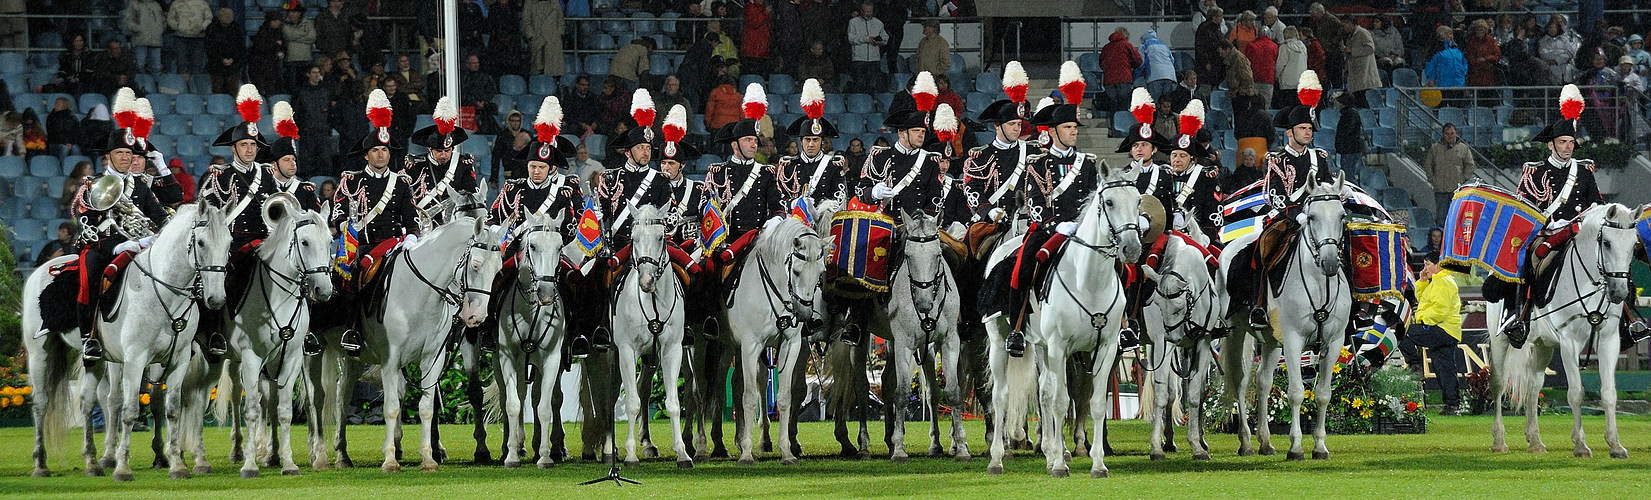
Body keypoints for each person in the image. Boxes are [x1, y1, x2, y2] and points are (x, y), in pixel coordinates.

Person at [990, 81, 1098, 357]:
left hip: (1083, 232)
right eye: (1068, 128)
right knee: (1021, 268)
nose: (1073, 132)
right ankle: (1016, 329)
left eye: (1075, 128)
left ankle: (1123, 325)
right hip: (1049, 230)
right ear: (1052, 132)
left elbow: (1095, 199)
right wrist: (1055, 223)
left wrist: (1084, 225)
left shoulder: (1088, 163)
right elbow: (1033, 203)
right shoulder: (1036, 163)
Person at [1494, 86, 1605, 348]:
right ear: (1550, 144)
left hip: (1579, 232)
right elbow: (1524, 208)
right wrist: (1547, 225)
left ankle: (1623, 321)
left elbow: (1597, 203)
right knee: (1528, 264)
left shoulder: (1585, 171)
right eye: (1562, 142)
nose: (1568, 147)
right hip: (1547, 234)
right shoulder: (1535, 172)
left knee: (1612, 263)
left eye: (1571, 143)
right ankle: (1519, 317)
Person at [62, 126, 173, 360]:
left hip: (139, 245)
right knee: (88, 278)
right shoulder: (93, 184)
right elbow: (84, 221)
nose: (126, 158)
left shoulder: (140, 185)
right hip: (101, 247)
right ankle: (88, 338)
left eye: (129, 153)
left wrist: (160, 235)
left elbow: (159, 215)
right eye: (120, 152)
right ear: (108, 156)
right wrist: (115, 246)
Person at [1235, 71, 1334, 329]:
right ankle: (1258, 305)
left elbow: (1326, 185)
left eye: (1310, 129)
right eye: (1303, 128)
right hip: (1286, 218)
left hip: (1316, 218)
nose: (1307, 133)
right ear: (1290, 132)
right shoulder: (1275, 159)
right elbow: (1272, 194)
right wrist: (1296, 215)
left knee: (1338, 244)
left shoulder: (1320, 157)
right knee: (1261, 249)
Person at [331, 89, 419, 355]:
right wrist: (347, 227)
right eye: (376, 150)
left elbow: (410, 216)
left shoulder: (401, 183)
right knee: (349, 278)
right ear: (366, 154)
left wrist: (413, 235)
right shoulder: (352, 180)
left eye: (385, 150)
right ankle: (352, 329)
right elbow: (337, 211)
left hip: (394, 245)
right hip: (363, 246)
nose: (381, 155)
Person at [587, 91, 676, 353]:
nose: (646, 152)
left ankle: (688, 325)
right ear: (628, 151)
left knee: (690, 272)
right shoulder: (610, 178)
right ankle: (599, 327)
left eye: (649, 148)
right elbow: (600, 213)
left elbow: (668, 215)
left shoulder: (660, 180)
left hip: (653, 247)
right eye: (641, 148)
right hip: (620, 245)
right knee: (593, 277)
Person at [1401, 252, 1465, 416]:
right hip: (1447, 330)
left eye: (1428, 264)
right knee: (1444, 368)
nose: (1425, 268)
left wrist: (1423, 321)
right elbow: (1422, 300)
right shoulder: (1436, 281)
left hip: (1440, 328)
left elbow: (1440, 310)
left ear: (1439, 265)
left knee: (1402, 333)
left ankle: (1415, 363)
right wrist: (1421, 282)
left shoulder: (1442, 282)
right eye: (1424, 264)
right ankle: (1452, 404)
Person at [403, 97, 480, 221]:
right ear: (430, 149)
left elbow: (471, 194)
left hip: (455, 221)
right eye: (439, 151)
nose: (443, 155)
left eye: (447, 151)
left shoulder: (462, 163)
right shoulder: (416, 164)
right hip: (425, 222)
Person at [775, 80, 848, 203]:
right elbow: (780, 196)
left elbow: (839, 197)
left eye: (815, 140)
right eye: (807, 139)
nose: (811, 144)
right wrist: (792, 205)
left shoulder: (833, 166)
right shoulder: (789, 166)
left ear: (822, 142)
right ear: (801, 141)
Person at [1423, 123, 1474, 226]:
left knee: (1457, 218)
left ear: (1456, 134)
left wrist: (1463, 178)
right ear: (1443, 134)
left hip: (1456, 190)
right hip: (1440, 190)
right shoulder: (1435, 148)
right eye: (1447, 134)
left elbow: (1470, 165)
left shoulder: (1463, 148)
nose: (1450, 136)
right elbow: (1428, 165)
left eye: (1452, 133)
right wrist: (1432, 179)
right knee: (1441, 218)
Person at [847, 2, 888, 94]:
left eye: (870, 11)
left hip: (874, 59)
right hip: (859, 59)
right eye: (866, 11)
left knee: (873, 85)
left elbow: (885, 38)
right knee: (859, 84)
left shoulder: (878, 23)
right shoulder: (853, 22)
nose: (868, 13)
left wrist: (880, 41)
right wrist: (866, 39)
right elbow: (851, 38)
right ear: (861, 11)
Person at [166, 0, 213, 77]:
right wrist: (178, 26)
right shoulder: (176, 3)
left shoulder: (203, 3)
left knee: (197, 65)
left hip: (198, 38)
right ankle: (182, 86)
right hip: (180, 37)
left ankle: (195, 86)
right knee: (181, 64)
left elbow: (209, 18)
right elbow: (170, 19)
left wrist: (202, 27)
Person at [1100, 27, 1142, 113]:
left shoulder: (1106, 47)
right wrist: (1131, 66)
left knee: (1113, 105)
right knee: (1123, 105)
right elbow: (1138, 59)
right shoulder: (1126, 45)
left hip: (1109, 80)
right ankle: (1122, 125)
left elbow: (1101, 63)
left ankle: (1113, 125)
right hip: (1124, 78)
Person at [205, 8, 246, 94]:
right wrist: (221, 59)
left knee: (233, 89)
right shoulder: (212, 29)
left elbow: (240, 47)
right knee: (218, 88)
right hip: (216, 65)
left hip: (234, 65)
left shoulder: (236, 29)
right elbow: (210, 48)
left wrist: (233, 59)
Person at [522, 0, 565, 77]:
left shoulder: (554, 2)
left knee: (553, 71)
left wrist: (559, 34)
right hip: (538, 40)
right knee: (537, 71)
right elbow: (526, 21)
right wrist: (532, 37)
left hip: (553, 41)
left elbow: (560, 19)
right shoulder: (529, 2)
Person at [282, 1, 317, 94]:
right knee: (293, 87)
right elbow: (289, 35)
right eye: (290, 12)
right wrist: (304, 32)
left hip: (306, 59)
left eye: (294, 12)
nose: (291, 14)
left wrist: (295, 38)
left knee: (306, 87)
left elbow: (312, 37)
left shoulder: (308, 22)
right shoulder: (284, 23)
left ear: (299, 13)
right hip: (292, 61)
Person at [122, 0, 165, 74]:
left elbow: (163, 20)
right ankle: (141, 84)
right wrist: (137, 28)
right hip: (140, 40)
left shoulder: (156, 5)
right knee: (140, 65)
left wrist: (160, 30)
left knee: (156, 67)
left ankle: (155, 84)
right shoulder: (134, 4)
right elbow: (128, 20)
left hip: (156, 40)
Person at [1245, 28, 1279, 109]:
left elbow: (1247, 62)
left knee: (1253, 104)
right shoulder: (1274, 46)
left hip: (1254, 77)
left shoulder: (1251, 45)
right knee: (1266, 104)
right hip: (1268, 78)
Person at [1275, 27, 1307, 110]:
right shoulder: (1303, 47)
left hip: (1287, 82)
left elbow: (1280, 64)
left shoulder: (1284, 47)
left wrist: (1276, 76)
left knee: (1287, 108)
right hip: (1300, 81)